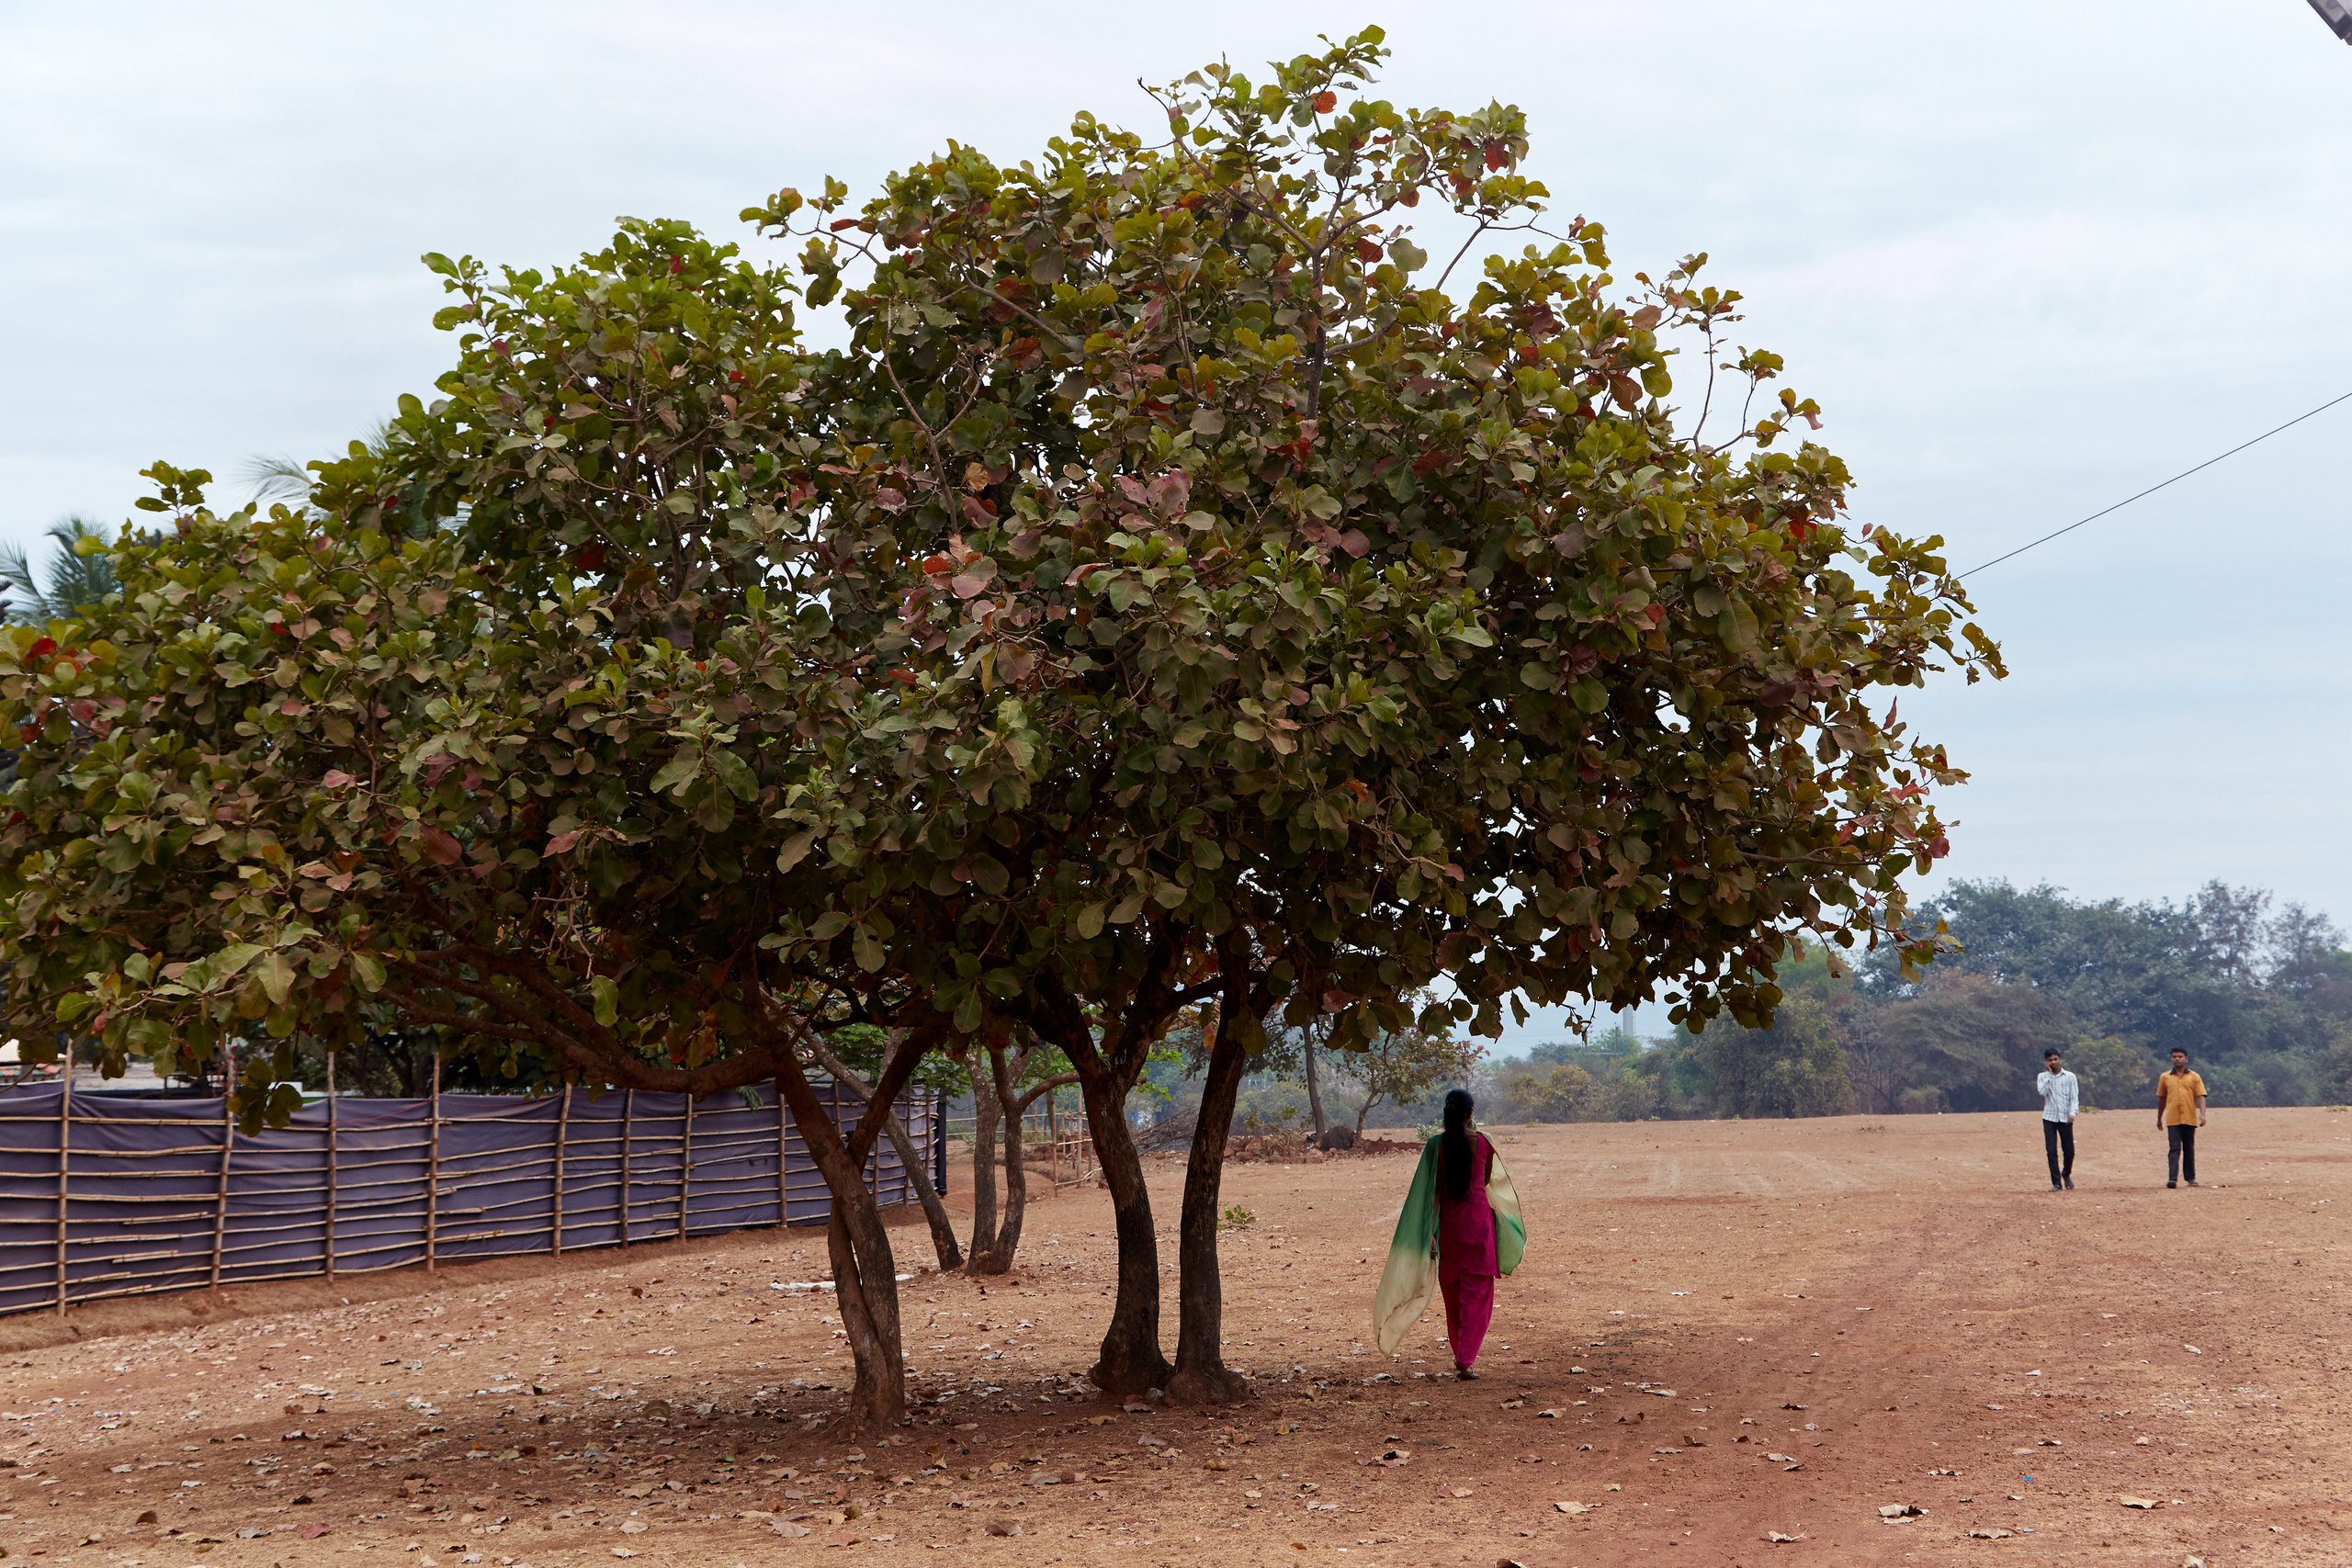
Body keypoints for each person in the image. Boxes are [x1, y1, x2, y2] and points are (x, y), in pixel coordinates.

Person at [1372, 1089, 1525, 1376]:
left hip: (1450, 1227)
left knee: (1453, 1294)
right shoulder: (1483, 1143)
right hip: (1478, 1224)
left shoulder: (1437, 1146)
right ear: (1470, 1113)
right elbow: (1487, 1178)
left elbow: (1436, 1191)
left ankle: (1461, 1354)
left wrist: (1430, 1232)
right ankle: (1465, 1359)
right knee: (1477, 1296)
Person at [2157, 1048, 2207, 1189]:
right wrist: (2159, 1118)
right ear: (2171, 1059)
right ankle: (2172, 1178)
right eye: (2174, 1057)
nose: (2177, 1059)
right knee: (2174, 1148)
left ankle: (2191, 1178)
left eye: (2180, 1056)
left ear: (2186, 1059)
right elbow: (2162, 1098)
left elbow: (2201, 1095)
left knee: (2189, 1148)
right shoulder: (2165, 1077)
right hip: (2173, 1118)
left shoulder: (2194, 1077)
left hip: (2189, 1118)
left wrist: (2202, 1114)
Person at [2037, 1048, 2079, 1191]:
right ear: (2046, 1062)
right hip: (2049, 1117)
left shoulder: (2070, 1077)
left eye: (2055, 1059)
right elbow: (2042, 1092)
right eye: (2050, 1060)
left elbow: (2074, 1097)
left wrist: (2073, 1113)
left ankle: (2066, 1174)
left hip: (2065, 1117)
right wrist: (2049, 1074)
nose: (2053, 1062)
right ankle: (2056, 1183)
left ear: (2059, 1059)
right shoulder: (2043, 1077)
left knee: (2069, 1151)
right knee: (2051, 1151)